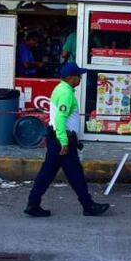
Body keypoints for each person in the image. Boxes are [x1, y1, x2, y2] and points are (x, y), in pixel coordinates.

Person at [24, 62, 109, 218]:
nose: (81, 78)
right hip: (61, 140)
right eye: (78, 76)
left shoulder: (61, 88)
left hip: (58, 139)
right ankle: (88, 206)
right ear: (70, 77)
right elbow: (60, 120)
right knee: (75, 174)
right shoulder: (66, 94)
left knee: (48, 174)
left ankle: (33, 204)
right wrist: (64, 142)